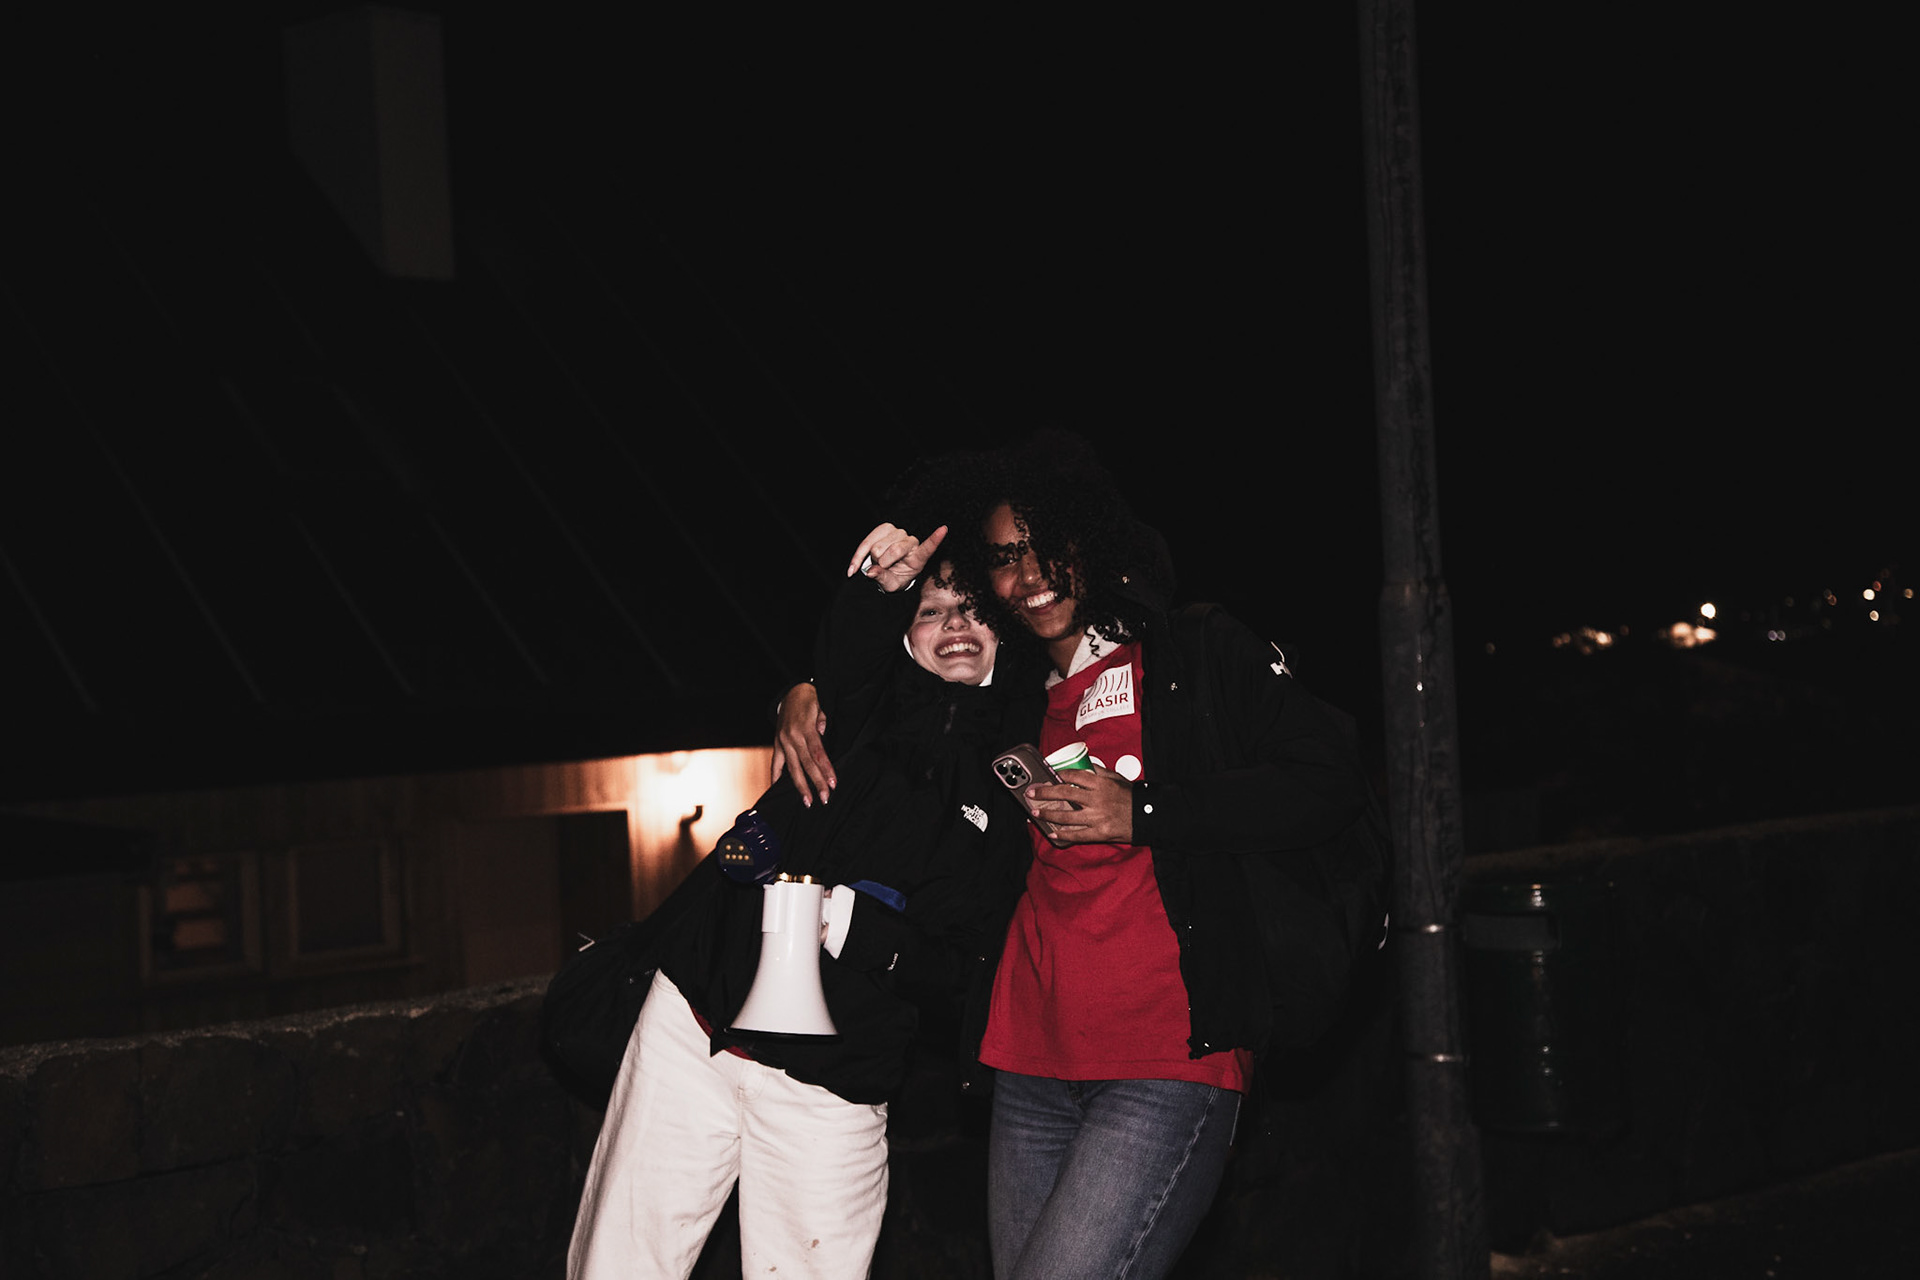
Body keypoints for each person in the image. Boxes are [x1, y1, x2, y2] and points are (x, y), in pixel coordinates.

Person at [774, 434, 1370, 1279]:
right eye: (1004, 559)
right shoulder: (1009, 700)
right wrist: (802, 690)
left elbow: (1328, 780)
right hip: (1028, 1063)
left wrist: (1145, 810)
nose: (1030, 575)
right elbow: (888, 709)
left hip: (1167, 1061)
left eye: (1048, 546)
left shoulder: (1190, 655)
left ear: (1092, 544)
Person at [568, 521, 1032, 1280]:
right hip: (694, 1033)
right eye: (932, 608)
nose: (955, 622)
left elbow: (971, 967)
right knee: (618, 1264)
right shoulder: (853, 706)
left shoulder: (1011, 780)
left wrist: (858, 930)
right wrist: (878, 589)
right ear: (906, 633)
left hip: (834, 1088)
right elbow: (846, 645)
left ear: (1002, 633)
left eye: (975, 608)